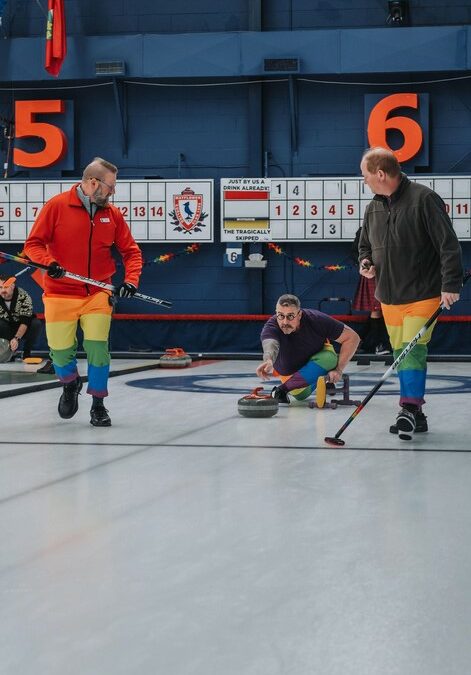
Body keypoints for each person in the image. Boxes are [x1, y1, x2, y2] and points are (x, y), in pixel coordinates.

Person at [23, 157, 143, 427]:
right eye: (110, 187)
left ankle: (98, 404)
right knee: (60, 352)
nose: (113, 192)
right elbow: (33, 244)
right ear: (92, 183)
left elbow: (131, 252)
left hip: (98, 292)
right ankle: (69, 382)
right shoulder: (56, 206)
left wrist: (131, 280)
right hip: (59, 293)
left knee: (98, 349)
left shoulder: (112, 215)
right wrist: (49, 264)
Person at [359, 146, 463, 440]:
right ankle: (415, 414)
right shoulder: (373, 208)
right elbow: (364, 245)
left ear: (380, 174)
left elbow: (449, 245)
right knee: (399, 352)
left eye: (365, 175)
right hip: (388, 296)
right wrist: (365, 262)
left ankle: (408, 407)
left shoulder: (424, 199)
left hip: (423, 294)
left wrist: (450, 285)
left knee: (412, 350)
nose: (364, 181)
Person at [256, 294, 360, 403]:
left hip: (319, 358)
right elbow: (270, 344)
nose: (285, 322)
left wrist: (339, 369)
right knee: (300, 395)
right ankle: (322, 379)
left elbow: (352, 337)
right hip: (292, 372)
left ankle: (282, 389)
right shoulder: (271, 327)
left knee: (329, 359)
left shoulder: (316, 319)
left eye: (290, 316)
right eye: (281, 315)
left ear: (299, 315)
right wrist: (268, 359)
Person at [351, 226, 391, 355]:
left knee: (380, 311)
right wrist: (368, 265)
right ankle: (379, 345)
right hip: (373, 274)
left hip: (389, 274)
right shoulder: (364, 230)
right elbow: (356, 253)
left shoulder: (391, 227)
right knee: (377, 310)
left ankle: (360, 342)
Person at [0, 274, 42, 360]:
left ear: (12, 286)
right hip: (6, 327)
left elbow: (25, 321)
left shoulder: (23, 296)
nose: (3, 290)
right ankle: (9, 351)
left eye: (6, 287)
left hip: (22, 326)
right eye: (0, 287)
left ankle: (26, 352)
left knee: (36, 323)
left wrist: (16, 338)